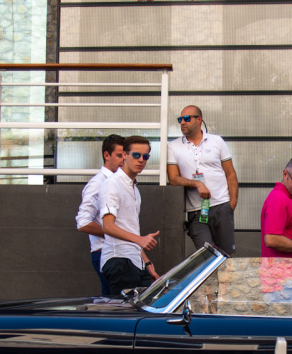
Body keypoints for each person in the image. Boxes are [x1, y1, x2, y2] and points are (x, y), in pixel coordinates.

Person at [166, 105, 239, 256]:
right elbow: (173, 179)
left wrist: (231, 204)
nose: (182, 123)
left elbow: (230, 173)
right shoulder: (173, 146)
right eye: (180, 119)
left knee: (226, 257)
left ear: (199, 120)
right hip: (196, 212)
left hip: (221, 206)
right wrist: (197, 183)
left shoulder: (216, 141)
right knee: (206, 257)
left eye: (187, 118)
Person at [100, 135, 160, 295]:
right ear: (124, 155)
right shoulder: (112, 184)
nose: (141, 160)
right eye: (136, 155)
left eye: (145, 156)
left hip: (135, 262)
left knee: (146, 312)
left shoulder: (134, 188)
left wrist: (147, 263)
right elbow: (107, 226)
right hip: (118, 260)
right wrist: (140, 239)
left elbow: (130, 229)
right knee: (125, 315)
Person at [76, 134, 126, 296]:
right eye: (119, 155)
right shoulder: (98, 183)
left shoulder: (120, 182)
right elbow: (83, 222)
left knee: (114, 303)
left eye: (125, 155)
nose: (123, 160)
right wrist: (113, 232)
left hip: (118, 252)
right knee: (115, 304)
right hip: (104, 252)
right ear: (106, 155)